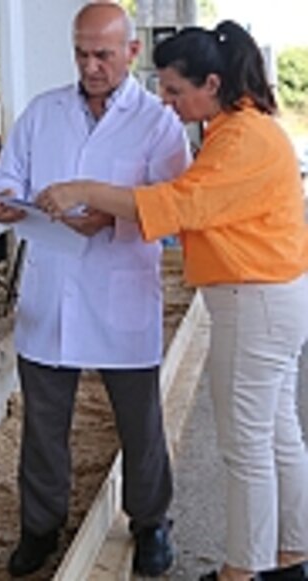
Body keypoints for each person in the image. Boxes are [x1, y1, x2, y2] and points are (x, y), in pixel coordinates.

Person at [37, 20, 308, 581]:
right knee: (277, 430)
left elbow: (180, 204)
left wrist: (86, 190)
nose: (165, 100)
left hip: (252, 296)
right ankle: (290, 554)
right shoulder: (237, 127)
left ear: (212, 83)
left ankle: (244, 569)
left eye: (175, 90)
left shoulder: (241, 138)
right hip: (265, 291)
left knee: (246, 440)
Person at [0, 2, 192, 577]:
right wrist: (4, 203)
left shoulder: (158, 122)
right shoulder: (42, 112)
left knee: (139, 421)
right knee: (44, 424)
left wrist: (113, 217)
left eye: (103, 54)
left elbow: (174, 207)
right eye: (81, 53)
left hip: (120, 290)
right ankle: (41, 526)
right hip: (52, 291)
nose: (91, 65)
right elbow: (10, 177)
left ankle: (151, 521)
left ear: (132, 52)